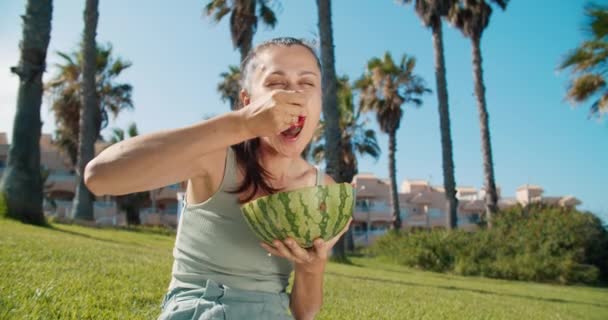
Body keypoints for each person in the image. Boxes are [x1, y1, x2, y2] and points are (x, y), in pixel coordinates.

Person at [84, 37, 352, 320]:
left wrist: (311, 267)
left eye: (307, 83)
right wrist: (242, 124)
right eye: (275, 83)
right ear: (248, 101)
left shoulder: (322, 190)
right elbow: (99, 176)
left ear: (319, 103)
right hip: (201, 309)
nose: (293, 94)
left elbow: (304, 313)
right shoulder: (215, 157)